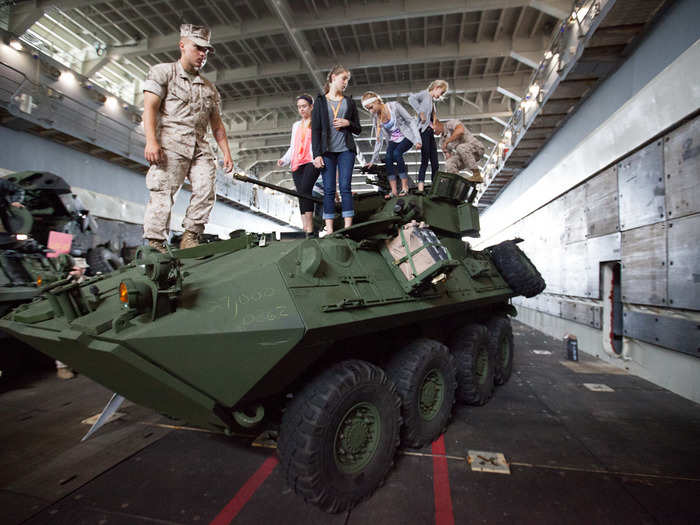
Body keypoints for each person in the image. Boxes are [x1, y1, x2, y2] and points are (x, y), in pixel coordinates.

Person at [142, 24, 234, 252]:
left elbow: (217, 125)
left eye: (207, 51)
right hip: (171, 146)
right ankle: (156, 242)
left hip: (200, 149)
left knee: (206, 190)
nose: (203, 54)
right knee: (163, 191)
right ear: (182, 45)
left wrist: (226, 154)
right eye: (198, 48)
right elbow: (150, 108)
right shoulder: (163, 72)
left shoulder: (209, 88)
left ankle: (191, 236)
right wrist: (151, 141)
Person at [311, 65, 362, 234]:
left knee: (345, 186)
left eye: (347, 80)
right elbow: (316, 130)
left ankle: (348, 227)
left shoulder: (349, 102)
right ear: (333, 77)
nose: (346, 82)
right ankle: (330, 228)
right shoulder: (320, 101)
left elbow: (358, 128)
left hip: (346, 150)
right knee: (329, 189)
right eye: (344, 79)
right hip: (327, 152)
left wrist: (348, 123)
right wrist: (316, 154)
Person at [362, 92, 421, 199]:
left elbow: (411, 121)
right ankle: (394, 191)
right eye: (368, 109)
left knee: (397, 153)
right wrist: (372, 160)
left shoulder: (394, 106)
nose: (371, 111)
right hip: (394, 140)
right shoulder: (376, 118)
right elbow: (379, 140)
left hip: (406, 136)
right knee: (388, 157)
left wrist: (418, 140)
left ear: (377, 101)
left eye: (371, 107)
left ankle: (405, 187)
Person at [278, 94, 319, 236]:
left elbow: (319, 143)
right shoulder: (296, 125)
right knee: (301, 194)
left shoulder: (316, 123)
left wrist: (318, 157)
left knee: (306, 190)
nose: (301, 109)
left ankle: (310, 227)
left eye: (304, 106)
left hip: (311, 161)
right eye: (299, 107)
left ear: (311, 107)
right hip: (297, 163)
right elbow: (293, 147)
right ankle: (305, 227)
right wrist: (284, 160)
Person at [408, 79, 448, 192]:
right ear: (436, 88)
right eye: (441, 92)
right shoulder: (425, 94)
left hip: (430, 132)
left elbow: (432, 118)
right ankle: (420, 187)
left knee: (435, 162)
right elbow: (411, 98)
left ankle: (435, 186)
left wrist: (434, 123)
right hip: (423, 131)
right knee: (425, 160)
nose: (441, 95)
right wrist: (420, 112)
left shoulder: (432, 102)